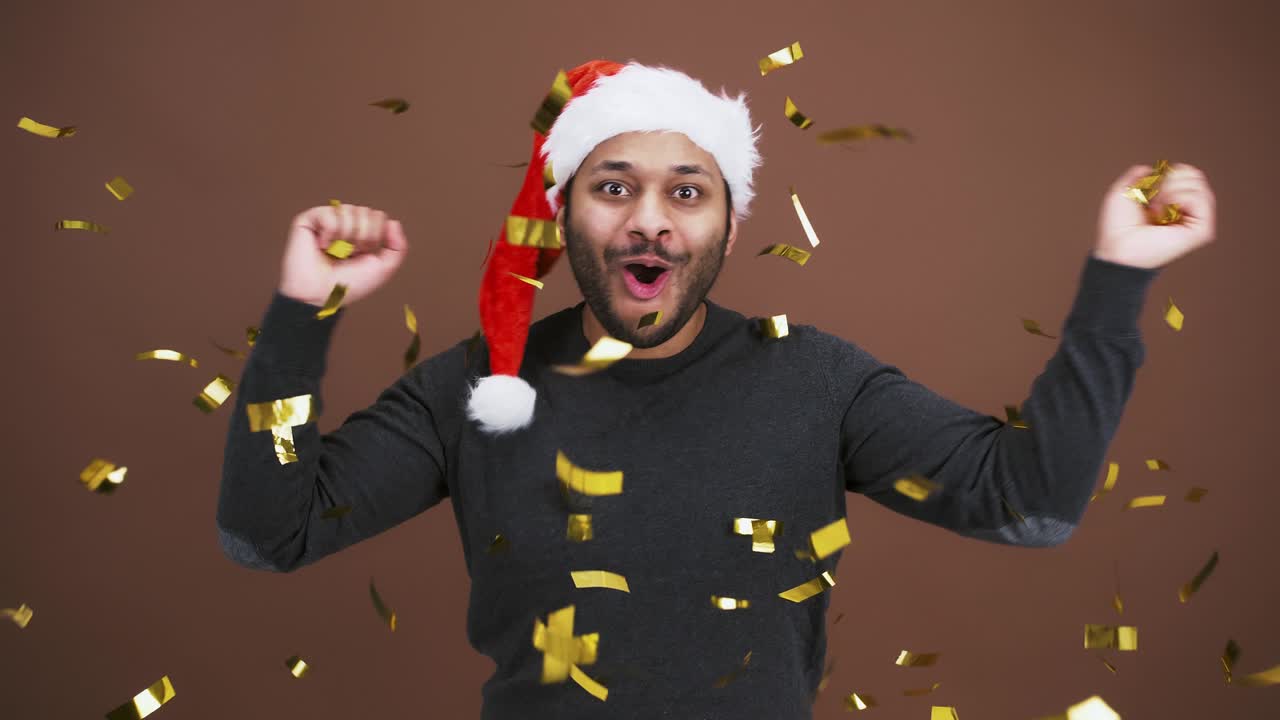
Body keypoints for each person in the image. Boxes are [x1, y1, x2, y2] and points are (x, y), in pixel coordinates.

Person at [217, 59, 1217, 719]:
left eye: (686, 192)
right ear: (563, 217)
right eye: (614, 187)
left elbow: (1030, 504)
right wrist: (305, 311)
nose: (649, 221)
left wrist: (1117, 279)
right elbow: (268, 534)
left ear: (730, 227)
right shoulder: (481, 386)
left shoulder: (816, 378)